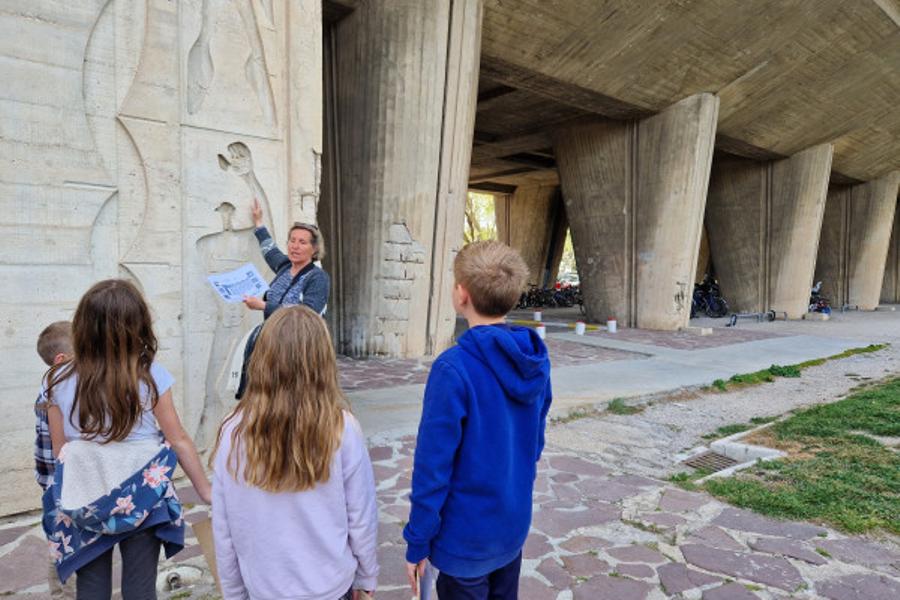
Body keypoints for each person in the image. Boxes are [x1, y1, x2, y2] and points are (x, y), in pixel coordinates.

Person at [42, 279, 211, 599]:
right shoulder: (151, 375)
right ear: (138, 325)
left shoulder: (57, 379)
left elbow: (60, 449)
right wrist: (205, 490)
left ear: (82, 325)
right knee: (139, 587)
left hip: (84, 495)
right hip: (142, 493)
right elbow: (178, 439)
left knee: (91, 587)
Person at [403, 241, 553, 600]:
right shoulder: (535, 360)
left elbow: (432, 466)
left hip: (465, 539)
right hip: (511, 526)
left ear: (461, 294)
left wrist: (418, 540)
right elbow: (534, 444)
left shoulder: (452, 369)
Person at [212, 305, 378, 600]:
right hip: (329, 586)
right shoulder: (342, 429)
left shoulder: (233, 431)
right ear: (323, 361)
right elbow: (361, 516)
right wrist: (366, 576)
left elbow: (224, 526)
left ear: (262, 358)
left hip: (264, 589)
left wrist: (234, 592)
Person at [235, 199, 331, 398]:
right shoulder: (285, 267)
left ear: (314, 249)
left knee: (289, 397)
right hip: (272, 344)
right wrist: (258, 222)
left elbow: (307, 314)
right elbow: (269, 250)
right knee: (264, 394)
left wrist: (264, 306)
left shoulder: (318, 277)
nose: (295, 246)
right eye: (292, 240)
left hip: (298, 350)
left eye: (302, 242)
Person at [34, 321, 76, 599]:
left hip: (51, 484)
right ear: (61, 360)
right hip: (62, 485)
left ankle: (60, 593)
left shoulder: (49, 388)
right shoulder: (56, 396)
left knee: (57, 545)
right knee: (69, 552)